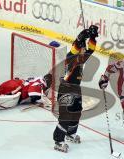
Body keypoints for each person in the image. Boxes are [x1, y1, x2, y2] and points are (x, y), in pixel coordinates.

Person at [53, 25, 98, 153]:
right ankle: (58, 141)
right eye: (82, 49)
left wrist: (93, 37)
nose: (84, 51)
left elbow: (92, 50)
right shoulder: (71, 57)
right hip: (65, 90)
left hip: (76, 89)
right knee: (66, 116)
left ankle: (70, 134)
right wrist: (80, 37)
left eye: (84, 49)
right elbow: (74, 49)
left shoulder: (82, 58)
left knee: (77, 112)